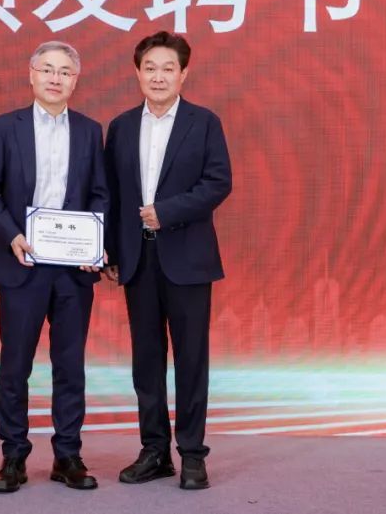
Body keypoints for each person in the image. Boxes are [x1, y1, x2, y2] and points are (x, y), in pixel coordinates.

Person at [0, 41, 108, 493]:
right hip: (22, 263)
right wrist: (11, 234)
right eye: (47, 69)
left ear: (75, 80)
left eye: (65, 71)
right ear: (31, 74)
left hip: (73, 270)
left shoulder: (90, 131)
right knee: (15, 364)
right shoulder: (4, 127)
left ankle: (68, 455)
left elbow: (100, 194)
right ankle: (13, 455)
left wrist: (94, 244)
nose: (55, 78)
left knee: (70, 365)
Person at [104, 31, 232, 490]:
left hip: (188, 257)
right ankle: (154, 451)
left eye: (168, 69)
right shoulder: (121, 126)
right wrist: (110, 250)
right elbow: (112, 194)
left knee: (191, 358)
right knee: (147, 359)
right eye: (150, 68)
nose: (158, 77)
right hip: (137, 258)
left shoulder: (204, 122)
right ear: (137, 73)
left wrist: (167, 212)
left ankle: (192, 453)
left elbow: (218, 183)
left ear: (183, 74)